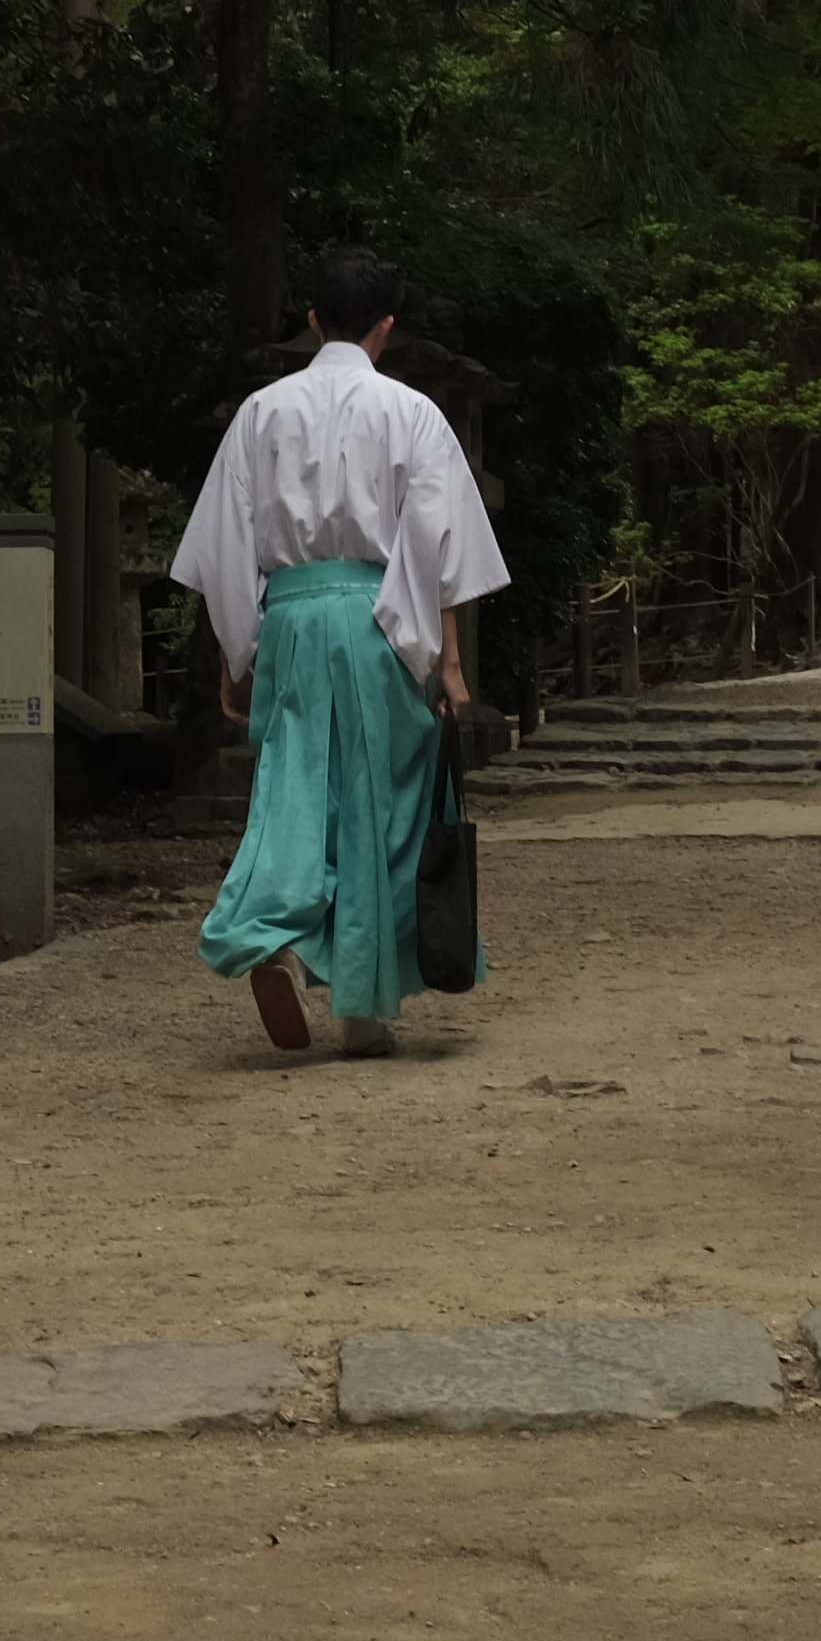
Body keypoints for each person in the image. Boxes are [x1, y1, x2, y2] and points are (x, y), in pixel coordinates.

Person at [169, 245, 511, 1059]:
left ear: (313, 319)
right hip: (377, 619)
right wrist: (448, 664)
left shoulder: (262, 413)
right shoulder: (411, 413)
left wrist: (238, 653)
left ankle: (276, 938)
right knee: (385, 807)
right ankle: (363, 1006)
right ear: (386, 326)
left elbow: (228, 542)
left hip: (290, 618)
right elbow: (434, 546)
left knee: (294, 796)